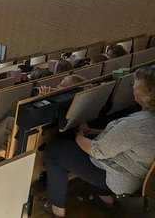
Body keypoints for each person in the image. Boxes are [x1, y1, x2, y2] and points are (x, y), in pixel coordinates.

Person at [38, 66, 155, 217]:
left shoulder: (136, 125)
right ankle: (105, 200)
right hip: (134, 173)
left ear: (147, 93)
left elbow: (97, 151)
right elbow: (130, 141)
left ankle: (57, 209)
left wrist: (79, 136)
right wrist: (96, 132)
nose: (133, 88)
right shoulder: (146, 119)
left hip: (120, 179)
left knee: (55, 148)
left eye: (135, 85)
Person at [0, 74, 87, 160]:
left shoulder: (62, 100)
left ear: (68, 89)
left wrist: (42, 98)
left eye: (61, 85)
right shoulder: (75, 100)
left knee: (8, 122)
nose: (57, 86)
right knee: (10, 122)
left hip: (37, 131)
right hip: (43, 131)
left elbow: (35, 113)